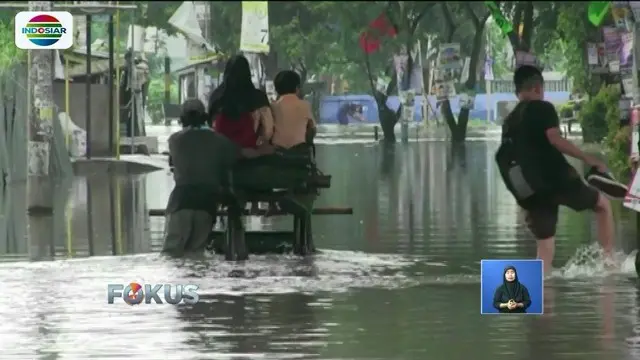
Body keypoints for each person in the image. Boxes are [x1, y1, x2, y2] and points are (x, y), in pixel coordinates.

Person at [496, 65, 626, 274]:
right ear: (538, 88)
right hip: (556, 179)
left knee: (545, 248)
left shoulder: (510, 121)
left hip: (529, 191)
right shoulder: (542, 108)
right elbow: (554, 139)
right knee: (603, 206)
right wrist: (588, 158)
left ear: (517, 91)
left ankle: (540, 295)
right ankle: (609, 265)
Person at [163, 98, 271, 256]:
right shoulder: (219, 140)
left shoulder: (174, 140)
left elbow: (174, 165)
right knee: (196, 254)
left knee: (170, 254)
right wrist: (265, 151)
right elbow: (243, 154)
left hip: (180, 202)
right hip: (206, 204)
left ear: (182, 119)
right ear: (205, 117)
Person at [208, 54, 276, 213]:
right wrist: (261, 145)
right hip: (250, 155)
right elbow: (268, 131)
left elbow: (210, 128)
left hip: (221, 156)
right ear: (248, 74)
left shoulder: (216, 97)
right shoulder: (257, 97)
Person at [270, 70, 317, 149]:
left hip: (277, 151)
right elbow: (313, 129)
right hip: (299, 151)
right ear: (297, 88)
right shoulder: (305, 105)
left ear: (276, 89)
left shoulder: (272, 107)